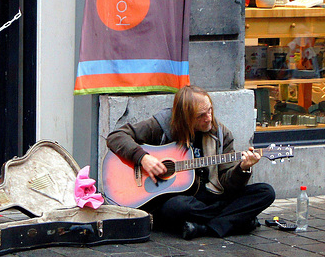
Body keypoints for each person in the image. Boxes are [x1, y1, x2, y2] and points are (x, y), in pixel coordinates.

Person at [106, 85, 275, 240]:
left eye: (210, 110)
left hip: (210, 196)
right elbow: (116, 137)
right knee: (178, 207)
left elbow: (227, 184)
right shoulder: (162, 125)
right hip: (177, 201)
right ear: (185, 117)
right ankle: (238, 219)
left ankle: (204, 228)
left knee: (265, 192)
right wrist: (143, 158)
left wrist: (242, 168)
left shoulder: (221, 134)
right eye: (201, 115)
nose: (209, 118)